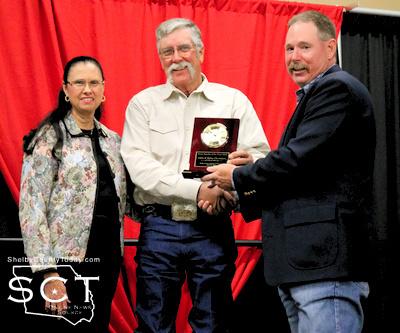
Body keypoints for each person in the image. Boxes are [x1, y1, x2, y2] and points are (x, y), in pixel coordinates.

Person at [202, 10, 376, 333]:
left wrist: (238, 177)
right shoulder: (313, 96)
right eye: (289, 49)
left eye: (304, 48)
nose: (294, 57)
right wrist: (238, 195)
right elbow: (299, 175)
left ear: (330, 48)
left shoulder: (336, 90)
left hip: (325, 267)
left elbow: (296, 160)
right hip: (305, 266)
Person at [121, 18, 269, 333]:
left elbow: (261, 157)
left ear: (200, 51)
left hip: (213, 225)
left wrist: (245, 167)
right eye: (167, 52)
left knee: (214, 323)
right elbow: (140, 169)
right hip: (160, 225)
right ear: (160, 58)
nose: (176, 58)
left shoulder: (232, 101)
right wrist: (199, 192)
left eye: (183, 48)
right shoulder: (143, 105)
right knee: (153, 324)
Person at [19, 56, 127, 332]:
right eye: (79, 82)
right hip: (65, 261)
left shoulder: (114, 141)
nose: (87, 89)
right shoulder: (48, 138)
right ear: (66, 90)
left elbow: (128, 199)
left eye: (93, 83)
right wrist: (47, 272)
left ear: (104, 90)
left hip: (109, 257)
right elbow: (31, 208)